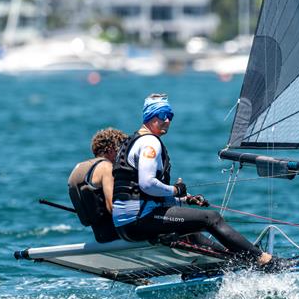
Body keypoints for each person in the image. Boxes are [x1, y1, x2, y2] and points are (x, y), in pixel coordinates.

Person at [112, 93, 275, 267]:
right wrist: (175, 190)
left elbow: (140, 191)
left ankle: (225, 264)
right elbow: (147, 184)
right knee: (211, 218)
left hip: (127, 224)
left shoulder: (134, 140)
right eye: (161, 115)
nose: (167, 120)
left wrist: (183, 199)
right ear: (150, 116)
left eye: (170, 116)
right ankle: (261, 259)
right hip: (139, 221)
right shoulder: (150, 143)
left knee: (193, 230)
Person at [68, 127, 128, 243]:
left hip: (100, 237)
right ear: (111, 150)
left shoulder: (80, 168)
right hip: (117, 235)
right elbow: (113, 208)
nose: (123, 158)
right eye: (121, 151)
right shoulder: (106, 167)